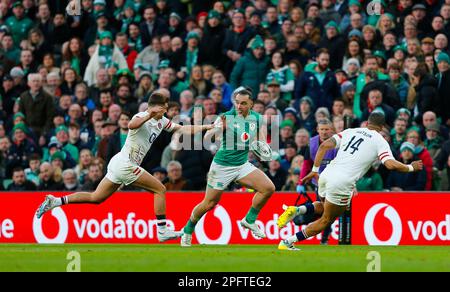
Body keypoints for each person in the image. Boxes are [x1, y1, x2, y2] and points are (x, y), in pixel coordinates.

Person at [36, 92, 213, 243]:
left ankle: (56, 201)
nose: (166, 111)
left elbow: (182, 129)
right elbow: (131, 125)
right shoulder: (141, 117)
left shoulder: (162, 121)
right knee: (160, 189)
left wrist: (207, 126)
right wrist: (149, 114)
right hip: (126, 164)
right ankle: (162, 231)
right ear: (155, 107)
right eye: (164, 108)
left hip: (120, 162)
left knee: (96, 198)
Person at [277, 112, 423, 250]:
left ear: (367, 123)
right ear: (382, 127)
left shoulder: (350, 131)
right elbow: (390, 164)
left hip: (326, 174)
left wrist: (315, 170)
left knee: (324, 206)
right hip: (342, 182)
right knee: (326, 219)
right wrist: (410, 167)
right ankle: (288, 242)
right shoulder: (380, 141)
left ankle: (297, 209)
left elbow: (323, 146)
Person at [180, 87, 276, 247]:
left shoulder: (258, 119)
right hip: (222, 166)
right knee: (209, 203)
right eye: (237, 103)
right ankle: (188, 230)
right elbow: (207, 137)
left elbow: (260, 142)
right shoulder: (226, 117)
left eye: (243, 103)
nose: (239, 106)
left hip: (242, 164)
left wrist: (264, 150)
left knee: (268, 188)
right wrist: (219, 129)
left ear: (251, 104)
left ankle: (249, 220)